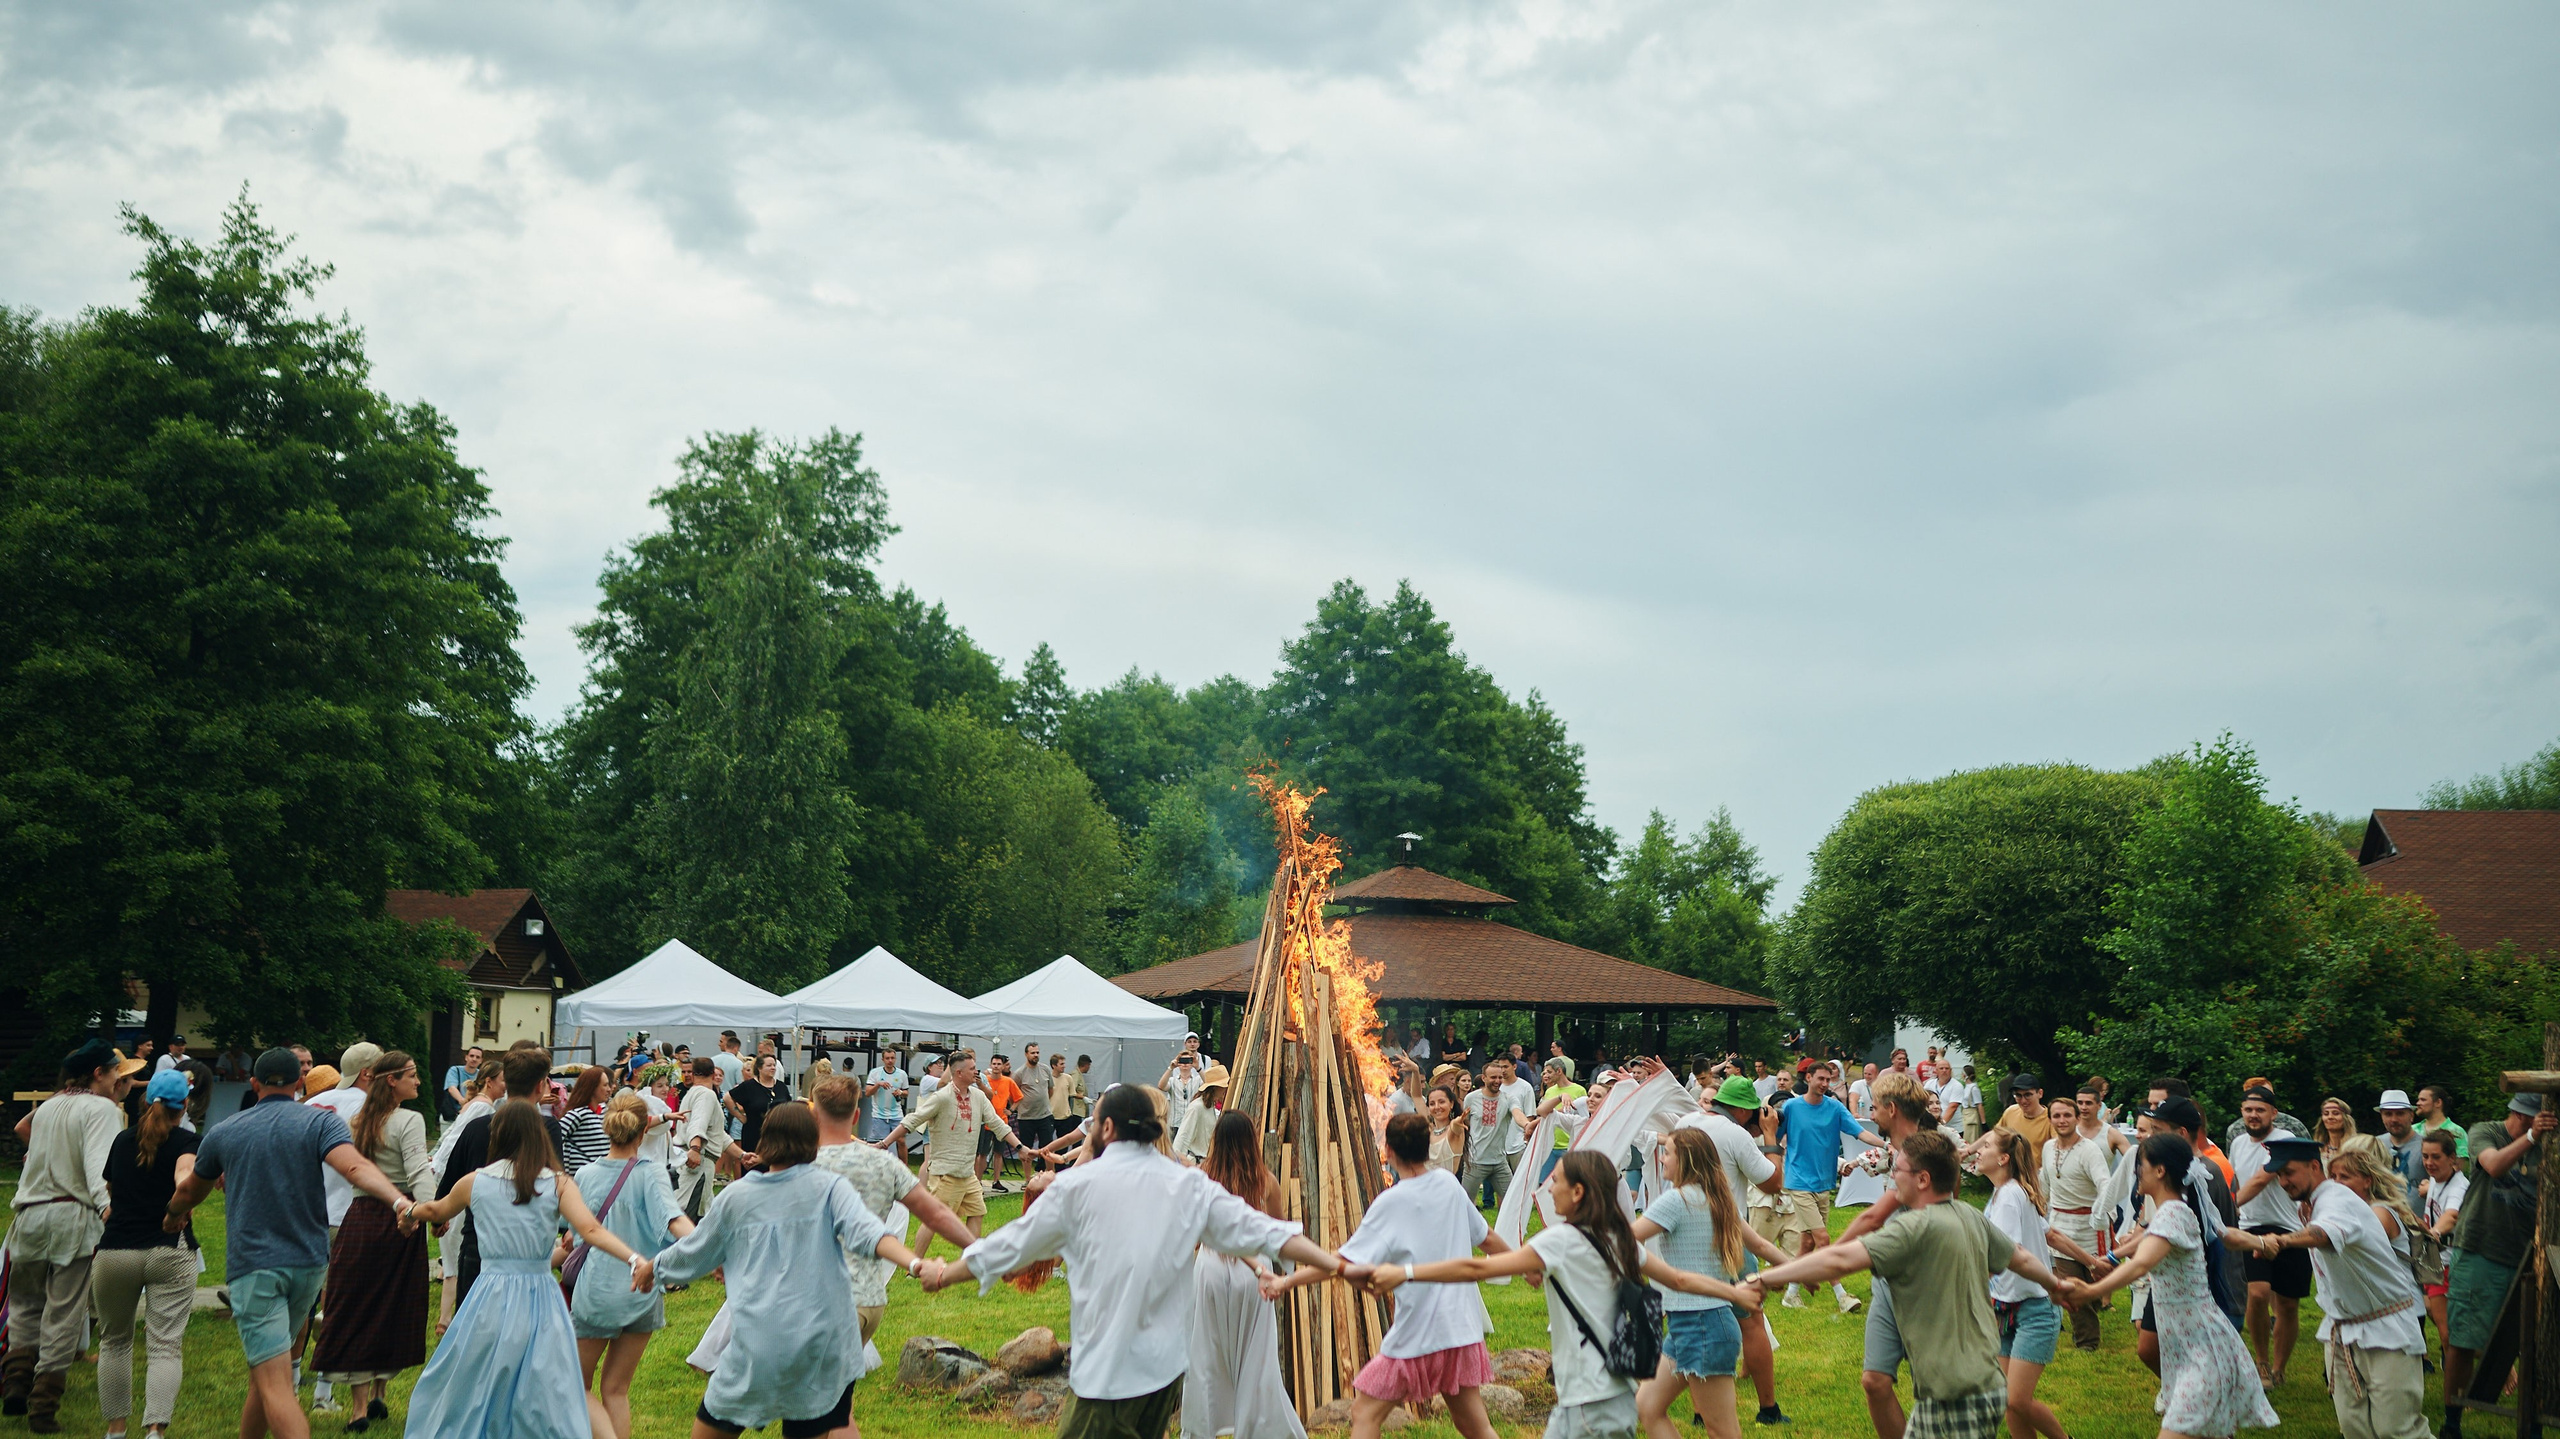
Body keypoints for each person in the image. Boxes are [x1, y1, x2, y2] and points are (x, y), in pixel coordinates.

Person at [920, 1084, 1348, 1437]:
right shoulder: (1186, 1185)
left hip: (1108, 1373)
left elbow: (1007, 1247)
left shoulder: (1078, 1188)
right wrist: (1340, 1266)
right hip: (1164, 1375)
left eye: (1094, 1124)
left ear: (1106, 1127)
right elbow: (1269, 1233)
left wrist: (944, 1274)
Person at [1367, 1149, 1758, 1439]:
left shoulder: (1561, 1241)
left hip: (1589, 1405)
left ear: (1578, 1192)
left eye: (1555, 1181)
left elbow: (1477, 1268)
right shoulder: (1617, 1238)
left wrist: (1405, 1272)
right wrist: (1735, 1294)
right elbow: (1680, 1280)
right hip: (1609, 1398)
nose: (1549, 1188)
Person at [168, 1047, 417, 1439]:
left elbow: (190, 1192)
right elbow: (355, 1167)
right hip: (308, 1266)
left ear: (254, 1084)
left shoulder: (225, 1131)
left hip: (256, 1268)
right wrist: (399, 1201)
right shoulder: (320, 1122)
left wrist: (172, 1214)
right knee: (266, 1372)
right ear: (300, 1082)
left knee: (274, 1382)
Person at [1755, 1133, 2069, 1439]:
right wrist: (2055, 1285)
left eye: (1898, 1170)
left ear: (1922, 1179)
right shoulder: (1970, 1216)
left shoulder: (1915, 1228)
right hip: (1974, 1386)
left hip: (1956, 1396)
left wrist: (1764, 1278)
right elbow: (2021, 1257)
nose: (1893, 1178)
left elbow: (1839, 1259)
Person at [653, 1102, 927, 1439]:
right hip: (819, 1347)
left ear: (765, 1139)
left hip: (758, 1346)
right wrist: (914, 1262)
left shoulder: (737, 1195)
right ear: (813, 1141)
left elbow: (693, 1253)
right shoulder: (830, 1187)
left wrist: (652, 1268)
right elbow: (870, 1233)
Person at [399, 1101, 657, 1439]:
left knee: (481, 1375)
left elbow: (435, 1210)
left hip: (490, 1294)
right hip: (540, 1295)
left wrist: (410, 1212)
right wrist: (634, 1258)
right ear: (538, 1136)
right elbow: (591, 1230)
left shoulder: (475, 1182)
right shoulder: (558, 1183)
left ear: (499, 1136)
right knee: (547, 1382)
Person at [1304, 1112, 1518, 1439]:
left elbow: (1344, 1261)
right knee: (1473, 1425)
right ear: (1428, 1146)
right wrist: (1524, 1264)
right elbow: (1486, 1237)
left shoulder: (1391, 1201)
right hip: (1460, 1328)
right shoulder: (1448, 1183)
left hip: (1419, 1333)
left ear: (1387, 1150)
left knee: (1364, 1413)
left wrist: (1290, 1278)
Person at [2067, 1132, 2280, 1439]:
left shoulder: (2174, 1213)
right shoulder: (2174, 1211)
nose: (2135, 1172)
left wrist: (2091, 1291)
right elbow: (2148, 1238)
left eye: (2140, 1165)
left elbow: (2142, 1263)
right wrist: (2112, 1256)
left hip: (2204, 1353)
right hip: (2189, 1350)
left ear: (2160, 1170)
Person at [2235, 1136, 2426, 1439]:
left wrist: (2280, 1241)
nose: (2283, 1182)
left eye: (2289, 1172)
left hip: (2387, 1330)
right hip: (2341, 1330)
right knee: (2354, 1430)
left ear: (2314, 1166)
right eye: (2279, 1175)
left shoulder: (2338, 1198)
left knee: (2397, 1431)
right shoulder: (2313, 1204)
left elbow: (2324, 1233)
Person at [5, 1040, 143, 1431]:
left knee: (25, 1305)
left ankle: (16, 1381)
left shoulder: (49, 1106)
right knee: (63, 1312)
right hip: (72, 1217)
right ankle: (42, 1405)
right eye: (114, 1072)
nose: (117, 1080)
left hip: (29, 1215)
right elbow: (100, 1166)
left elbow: (24, 1132)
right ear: (98, 1073)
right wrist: (108, 1208)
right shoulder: (101, 1108)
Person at [1630, 1126, 1786, 1439]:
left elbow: (1625, 1240)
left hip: (1702, 1325)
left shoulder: (1675, 1200)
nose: (1662, 1159)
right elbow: (1760, 1246)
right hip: (1692, 1324)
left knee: (1722, 1431)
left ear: (1685, 1160)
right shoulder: (1719, 1199)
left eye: (1668, 1153)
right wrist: (1798, 1271)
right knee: (1648, 1406)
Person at [314, 1050, 435, 1430]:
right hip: (402, 1216)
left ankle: (361, 1406)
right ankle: (379, 1392)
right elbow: (418, 1171)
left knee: (359, 1304)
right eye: (412, 1075)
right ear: (392, 1081)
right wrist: (432, 1212)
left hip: (361, 1217)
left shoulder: (357, 1121)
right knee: (394, 1303)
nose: (418, 1081)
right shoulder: (409, 1119)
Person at [806, 1077, 978, 1341]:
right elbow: (937, 1214)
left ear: (815, 1115)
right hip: (870, 1299)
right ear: (856, 1116)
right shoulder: (885, 1163)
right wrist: (980, 1250)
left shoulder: (803, 1165)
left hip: (821, 1301)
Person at [566, 1092, 694, 1439]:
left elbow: (574, 1235)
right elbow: (674, 1221)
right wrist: (706, 1248)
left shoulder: (585, 1175)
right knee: (617, 1390)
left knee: (577, 1385)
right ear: (644, 1131)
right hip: (643, 1292)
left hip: (596, 1292)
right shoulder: (651, 1173)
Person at [1178, 1111, 1306, 1439]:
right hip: (1254, 1273)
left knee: (1205, 1351)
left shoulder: (1203, 1177)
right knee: (1256, 1355)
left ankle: (1203, 1427)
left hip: (1210, 1267)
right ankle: (1256, 1427)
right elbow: (1278, 1233)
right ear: (1252, 1139)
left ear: (1217, 1139)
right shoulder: (1266, 1181)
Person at [94, 1069, 200, 1439]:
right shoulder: (187, 1141)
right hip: (169, 1251)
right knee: (165, 1346)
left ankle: (115, 1430)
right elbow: (185, 1180)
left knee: (114, 1342)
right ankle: (155, 1430)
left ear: (145, 1100)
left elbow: (111, 1188)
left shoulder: (123, 1140)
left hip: (115, 1251)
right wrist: (176, 1209)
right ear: (184, 1105)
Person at [1680, 1075, 1790, 1428]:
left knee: (1697, 1323)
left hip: (1685, 1237)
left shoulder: (1686, 1122)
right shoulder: (1735, 1134)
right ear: (1743, 1110)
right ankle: (1768, 1409)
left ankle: (1701, 1412)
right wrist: (1770, 1136)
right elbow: (1772, 1183)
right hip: (1729, 1237)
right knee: (1751, 1322)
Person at [2442, 1090, 2553, 1438]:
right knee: (2463, 1340)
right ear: (2520, 1114)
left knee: (2537, 1343)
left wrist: (2541, 1138)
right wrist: (2532, 1136)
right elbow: (2493, 1165)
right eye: (2536, 1118)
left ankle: (2533, 1423)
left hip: (2532, 1257)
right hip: (2481, 1248)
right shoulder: (2486, 1131)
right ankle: (2452, 1421)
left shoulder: (2551, 1145)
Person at [434, 1046, 567, 1309]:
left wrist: (439, 1218)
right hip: (527, 1242)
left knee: (474, 1322)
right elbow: (555, 1181)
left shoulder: (476, 1127)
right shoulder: (547, 1128)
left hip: (479, 1239)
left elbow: (451, 1178)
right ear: (540, 1086)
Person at [876, 1051, 1019, 1253]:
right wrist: (884, 1143)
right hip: (946, 1173)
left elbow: (997, 1124)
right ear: (959, 1073)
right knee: (934, 1220)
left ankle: (970, 1261)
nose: (976, 1072)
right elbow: (912, 1120)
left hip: (968, 1173)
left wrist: (1021, 1148)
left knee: (977, 1212)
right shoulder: (942, 1097)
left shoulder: (978, 1096)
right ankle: (914, 1263)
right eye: (972, 1068)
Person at [1772, 1061, 1884, 1313]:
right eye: (1820, 1079)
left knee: (1807, 1243)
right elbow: (1774, 1139)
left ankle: (1791, 1294)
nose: (1824, 1084)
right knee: (1822, 1238)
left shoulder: (1834, 1107)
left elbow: (1860, 1133)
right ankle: (1842, 1295)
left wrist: (1887, 1145)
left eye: (1828, 1079)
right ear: (1808, 1078)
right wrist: (1772, 1166)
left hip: (1824, 1183)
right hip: (1798, 1182)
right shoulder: (1791, 1107)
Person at [1979, 1128, 2067, 1439]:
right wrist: (2094, 1261)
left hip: (2034, 1309)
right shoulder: (2005, 1192)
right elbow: (2049, 1234)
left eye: (1986, 1146)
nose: (1979, 1150)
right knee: (2008, 1401)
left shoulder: (2009, 1196)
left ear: (2003, 1158)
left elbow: (2006, 1255)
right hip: (2005, 1307)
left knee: (2017, 1399)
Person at [2228, 1084, 2306, 1388]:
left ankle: (2279, 1367)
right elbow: (2237, 1180)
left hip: (2289, 1228)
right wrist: (2233, 1212)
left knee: (2287, 1304)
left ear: (2273, 1113)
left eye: (2260, 1110)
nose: (2253, 1115)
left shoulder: (2283, 1140)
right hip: (2251, 1227)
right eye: (2248, 1110)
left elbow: (2261, 1179)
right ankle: (2261, 1363)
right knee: (2258, 1294)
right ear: (2241, 1112)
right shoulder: (2238, 1143)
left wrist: (2229, 1207)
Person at [2039, 1094, 2113, 1354]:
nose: (2062, 1120)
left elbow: (2104, 1183)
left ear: (2076, 1118)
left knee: (2092, 1284)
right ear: (2050, 1120)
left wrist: (2102, 1213)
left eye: (2067, 1115)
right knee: (2070, 1284)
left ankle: (2094, 1310)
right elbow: (2045, 1184)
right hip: (2061, 1226)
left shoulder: (2089, 1150)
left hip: (2090, 1227)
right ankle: (2087, 1341)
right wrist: (2037, 1206)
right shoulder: (2048, 1148)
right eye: (2057, 1116)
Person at [673, 1057, 744, 1222]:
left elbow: (718, 1134)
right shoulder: (706, 1095)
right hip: (698, 1163)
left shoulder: (693, 1093)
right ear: (713, 1074)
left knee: (700, 1219)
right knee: (687, 1222)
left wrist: (742, 1155)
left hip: (696, 1162)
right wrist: (695, 1149)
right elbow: (698, 1124)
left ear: (693, 1074)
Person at [2415, 1129, 2465, 1358]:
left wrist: (2435, 1231)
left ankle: (2498, 1365)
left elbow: (2452, 1215)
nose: (2429, 1162)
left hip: (2452, 1264)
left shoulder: (2459, 1187)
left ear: (2452, 1158)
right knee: (2446, 1333)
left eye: (2436, 1157)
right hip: (2435, 1261)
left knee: (2449, 1335)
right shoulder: (2435, 1181)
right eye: (2425, 1156)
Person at [1461, 1062, 1523, 1207]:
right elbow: (1465, 1123)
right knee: (1464, 1204)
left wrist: (1527, 1125)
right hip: (1475, 1162)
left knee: (1513, 1204)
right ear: (1484, 1078)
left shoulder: (1509, 1099)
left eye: (1500, 1077)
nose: (1497, 1081)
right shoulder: (1471, 1098)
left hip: (1499, 1162)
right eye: (1493, 1077)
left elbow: (1517, 1114)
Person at [731, 1052, 791, 1163]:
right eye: (769, 1065)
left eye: (774, 1065)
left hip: (777, 1136)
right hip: (754, 1134)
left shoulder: (781, 1086)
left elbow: (789, 1106)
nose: (773, 1068)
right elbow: (728, 1098)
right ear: (759, 1068)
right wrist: (740, 1116)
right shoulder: (749, 1086)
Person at [981, 1053, 1026, 1193]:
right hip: (986, 1122)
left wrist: (1011, 1110)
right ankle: (978, 1181)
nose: (996, 1066)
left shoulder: (1008, 1081)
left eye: (999, 1064)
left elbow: (1019, 1097)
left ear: (1003, 1066)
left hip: (1001, 1121)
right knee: (982, 1154)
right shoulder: (985, 1080)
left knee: (998, 1153)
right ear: (990, 1065)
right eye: (994, 1064)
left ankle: (996, 1181)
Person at [559, 1065, 614, 1173]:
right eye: (605, 1085)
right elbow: (553, 1139)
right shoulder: (577, 1115)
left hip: (602, 1174)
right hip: (580, 1177)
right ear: (592, 1088)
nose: (609, 1089)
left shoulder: (605, 1111)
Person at [1175, 1063, 1231, 1165]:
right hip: (1196, 1164)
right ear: (1215, 1087)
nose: (1225, 1090)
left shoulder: (1211, 1107)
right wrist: (1179, 1165)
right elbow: (1182, 1139)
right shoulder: (1196, 1107)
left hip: (1208, 1163)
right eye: (1224, 1086)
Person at [2373, 1091, 2426, 1192]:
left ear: (2411, 1116)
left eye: (2400, 1113)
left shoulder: (2427, 1146)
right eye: (2388, 1114)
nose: (2394, 1119)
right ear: (2382, 1117)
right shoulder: (2375, 1145)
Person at [863, 1047, 910, 1150]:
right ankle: (880, 1160)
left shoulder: (902, 1074)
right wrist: (878, 1085)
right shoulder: (875, 1073)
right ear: (883, 1059)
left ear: (895, 1059)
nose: (890, 1061)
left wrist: (900, 1092)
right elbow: (867, 1093)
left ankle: (903, 1161)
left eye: (892, 1058)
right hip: (879, 1114)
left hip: (896, 1114)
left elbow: (906, 1093)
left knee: (901, 1141)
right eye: (887, 1058)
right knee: (880, 1144)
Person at [2415, 1085, 2468, 1158]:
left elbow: (2459, 1162)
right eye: (2418, 1100)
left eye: (2423, 1100)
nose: (2418, 1103)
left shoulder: (2457, 1131)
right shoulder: (2412, 1130)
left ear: (2438, 1102)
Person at [1427, 1086, 1466, 1177]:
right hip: (1426, 1184)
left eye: (1441, 1102)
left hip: (1446, 1184)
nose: (1437, 1107)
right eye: (1432, 1104)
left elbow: (1455, 1128)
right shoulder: (1428, 1130)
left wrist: (1456, 1123)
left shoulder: (1453, 1131)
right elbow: (1416, 1096)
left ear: (1451, 1104)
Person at [441, 1047, 484, 1123]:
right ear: (466, 1057)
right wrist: (463, 1101)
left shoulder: (482, 1075)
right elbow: (452, 1088)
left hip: (473, 1115)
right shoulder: (455, 1070)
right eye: (471, 1056)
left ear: (481, 1060)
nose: (474, 1059)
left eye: (478, 1057)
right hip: (453, 1114)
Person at [2314, 1097, 2360, 1166]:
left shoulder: (2356, 1148)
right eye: (2326, 1114)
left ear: (2346, 1118)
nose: (2330, 1117)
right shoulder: (2317, 1148)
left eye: (2335, 1113)